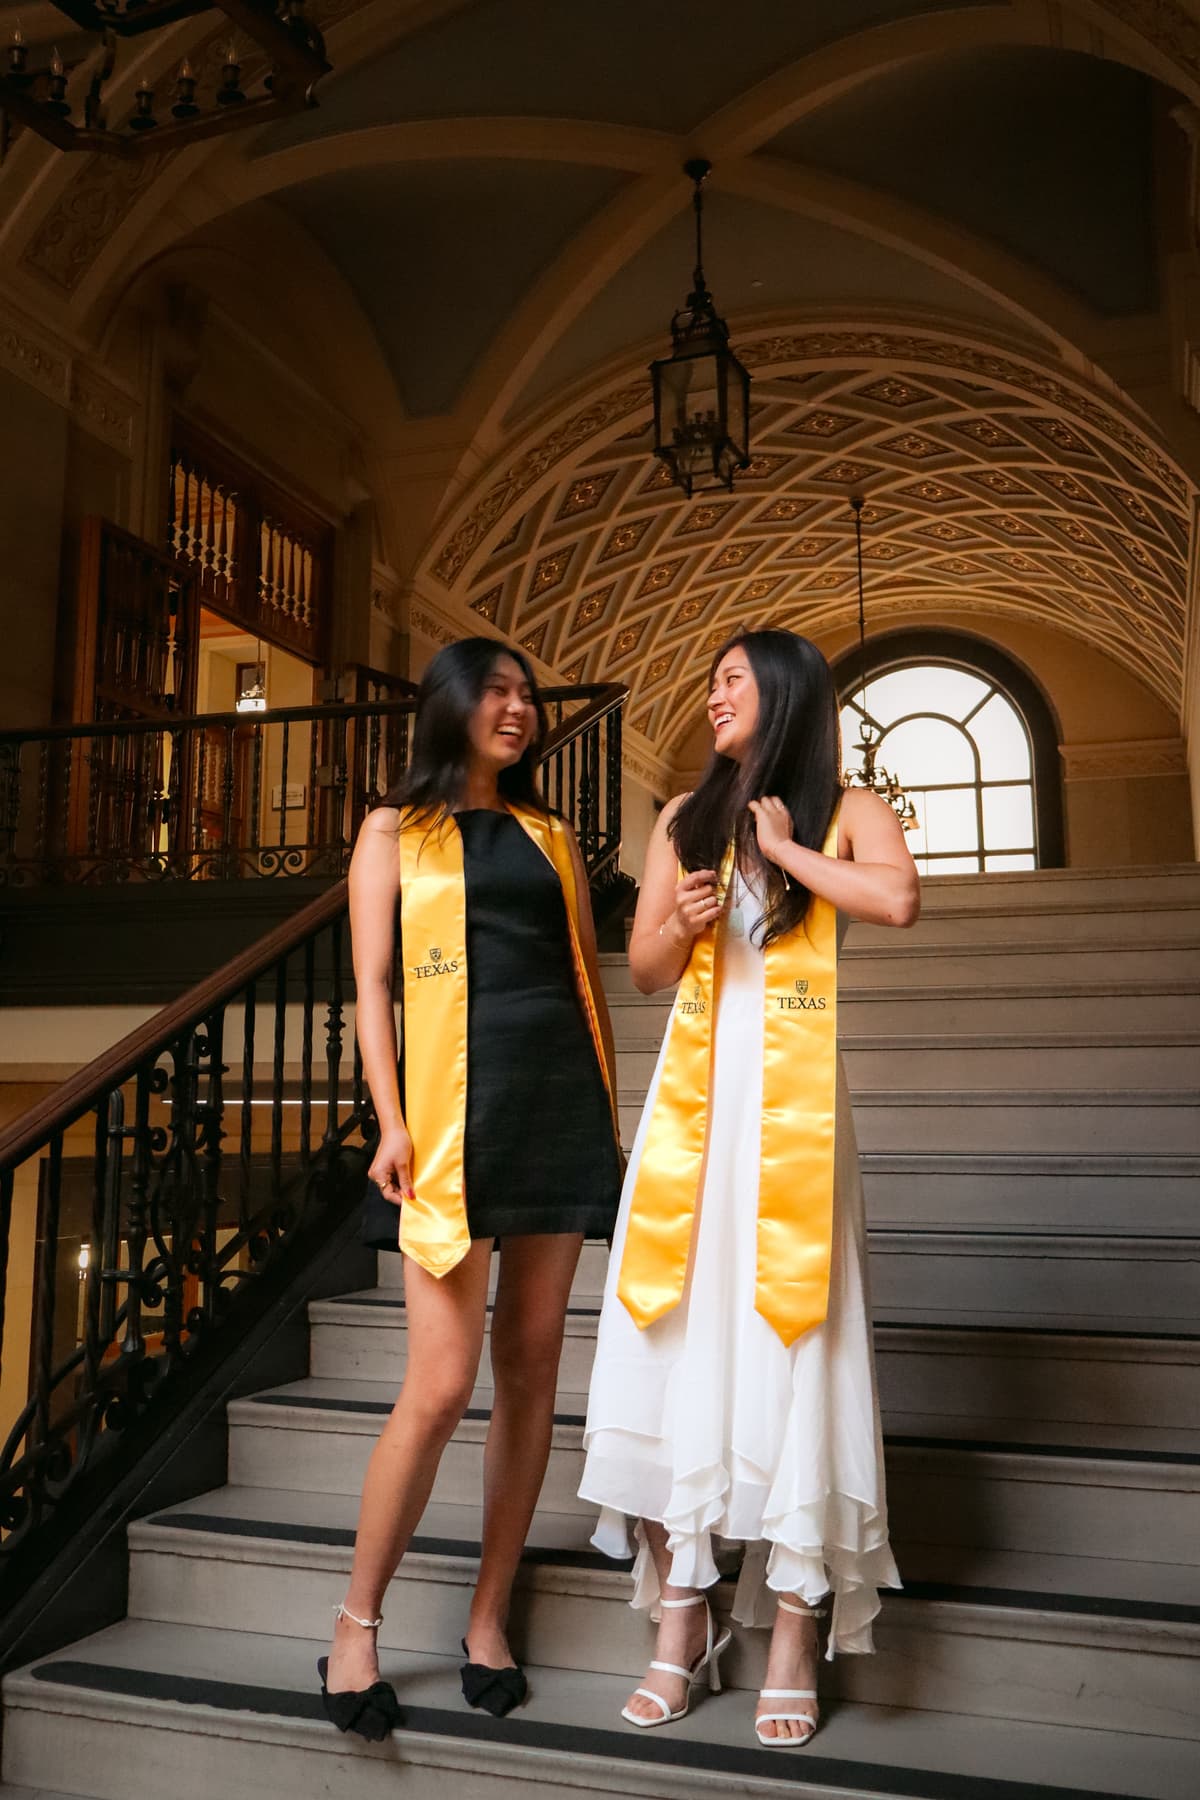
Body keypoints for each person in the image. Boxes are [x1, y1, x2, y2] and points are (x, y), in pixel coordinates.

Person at [579, 628, 920, 1748]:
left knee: (794, 1348)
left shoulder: (849, 806)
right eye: (713, 681)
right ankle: (680, 1617)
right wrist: (671, 929)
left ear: (782, 692)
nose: (713, 695)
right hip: (695, 1119)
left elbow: (895, 903)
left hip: (796, 1121)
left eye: (732, 679)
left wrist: (789, 851)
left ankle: (789, 1622)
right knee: (680, 1344)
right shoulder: (682, 814)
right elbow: (642, 967)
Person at [318, 637, 622, 1740]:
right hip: (448, 1118)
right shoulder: (394, 831)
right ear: (449, 706)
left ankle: (488, 1616)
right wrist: (391, 1122)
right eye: (497, 691)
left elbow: (585, 969)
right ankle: (355, 1626)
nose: (521, 708)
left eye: (529, 693)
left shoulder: (550, 834)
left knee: (533, 1367)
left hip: (556, 1101)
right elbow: (372, 983)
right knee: (439, 1385)